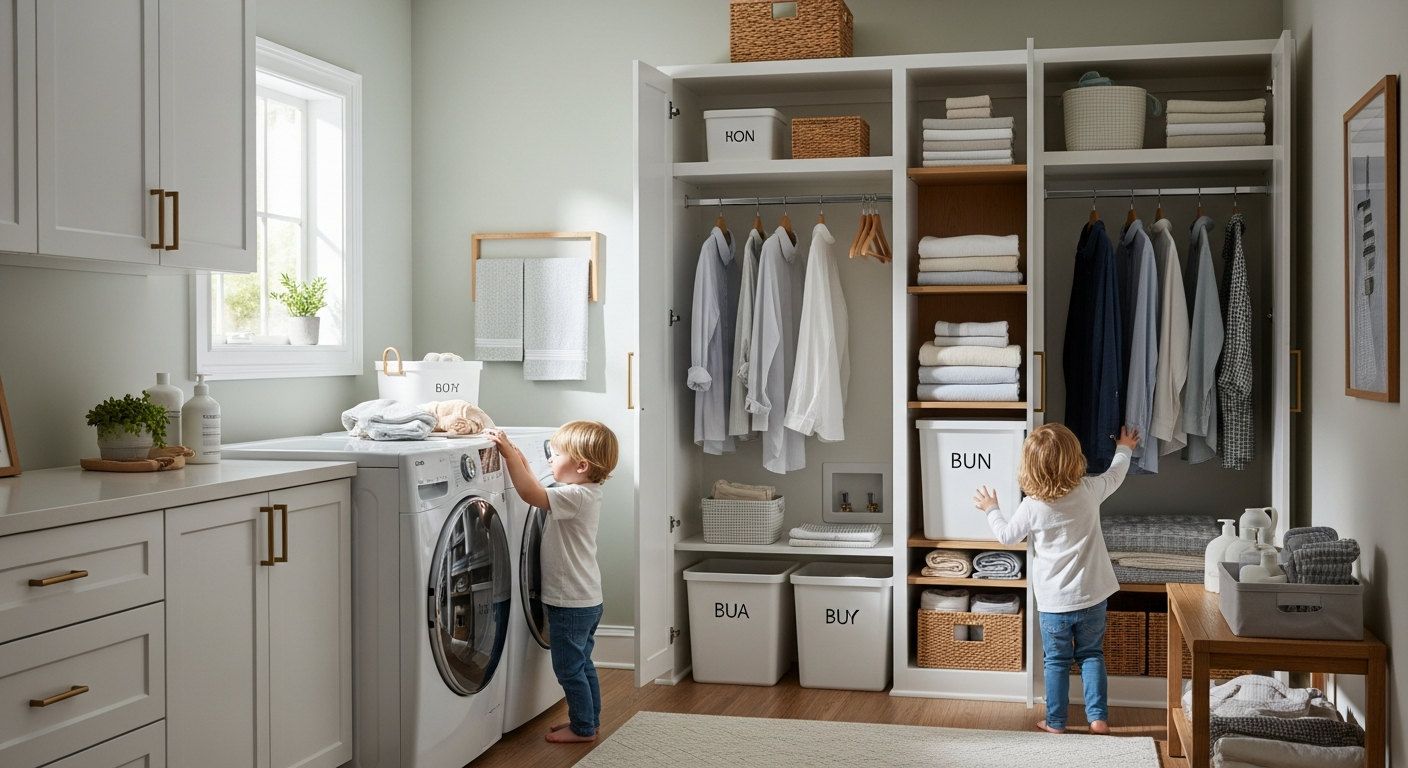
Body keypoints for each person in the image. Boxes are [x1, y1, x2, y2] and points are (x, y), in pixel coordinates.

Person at [973, 423, 1139, 735]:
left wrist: (991, 509)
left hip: (1054, 604)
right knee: (1091, 655)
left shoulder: (1032, 506)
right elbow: (1115, 474)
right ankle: (1098, 719)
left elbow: (1007, 537)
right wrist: (1124, 447)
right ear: (1075, 459)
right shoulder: (1089, 491)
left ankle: (1056, 722)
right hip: (1093, 597)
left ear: (1029, 467)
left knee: (1057, 662)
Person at [487, 420, 618, 744]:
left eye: (557, 455)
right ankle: (588, 721)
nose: (550, 459)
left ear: (581, 466)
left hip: (568, 602)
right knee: (583, 665)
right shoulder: (585, 493)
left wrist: (509, 457)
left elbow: (531, 494)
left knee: (568, 669)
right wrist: (522, 461)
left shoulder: (575, 495)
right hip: (586, 599)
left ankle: (582, 728)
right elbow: (540, 489)